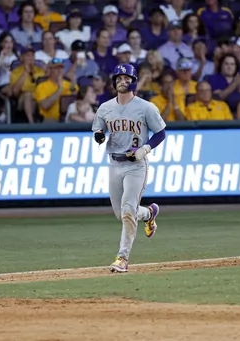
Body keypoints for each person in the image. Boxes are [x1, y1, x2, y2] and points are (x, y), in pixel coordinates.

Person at [91, 63, 166, 273]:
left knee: (127, 211)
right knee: (122, 213)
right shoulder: (105, 107)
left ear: (134, 82)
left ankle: (122, 258)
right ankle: (149, 213)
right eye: (119, 78)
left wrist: (146, 148)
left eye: (126, 78)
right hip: (114, 162)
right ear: (114, 82)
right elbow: (99, 129)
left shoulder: (146, 107)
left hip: (135, 165)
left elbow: (160, 133)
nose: (122, 81)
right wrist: (99, 135)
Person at [0, 32, 18, 97]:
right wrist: (1, 58)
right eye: (6, 42)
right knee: (11, 90)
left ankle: (5, 107)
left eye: (11, 42)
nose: (9, 45)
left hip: (18, 83)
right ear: (1, 44)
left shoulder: (18, 56)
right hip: (4, 84)